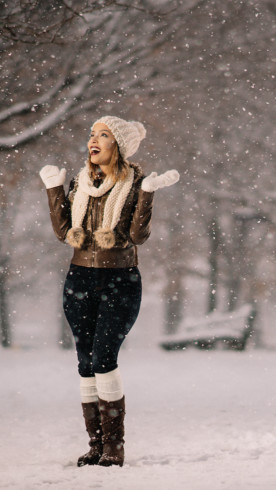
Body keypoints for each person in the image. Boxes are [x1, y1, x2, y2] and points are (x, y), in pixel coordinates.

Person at [39, 116, 179, 467]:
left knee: (104, 356)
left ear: (118, 145)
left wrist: (146, 196)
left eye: (103, 135)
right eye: (91, 134)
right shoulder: (80, 182)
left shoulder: (136, 184)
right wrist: (55, 189)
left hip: (120, 279)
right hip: (79, 279)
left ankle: (114, 446)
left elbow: (137, 237)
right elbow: (64, 232)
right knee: (85, 359)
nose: (93, 140)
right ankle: (96, 445)